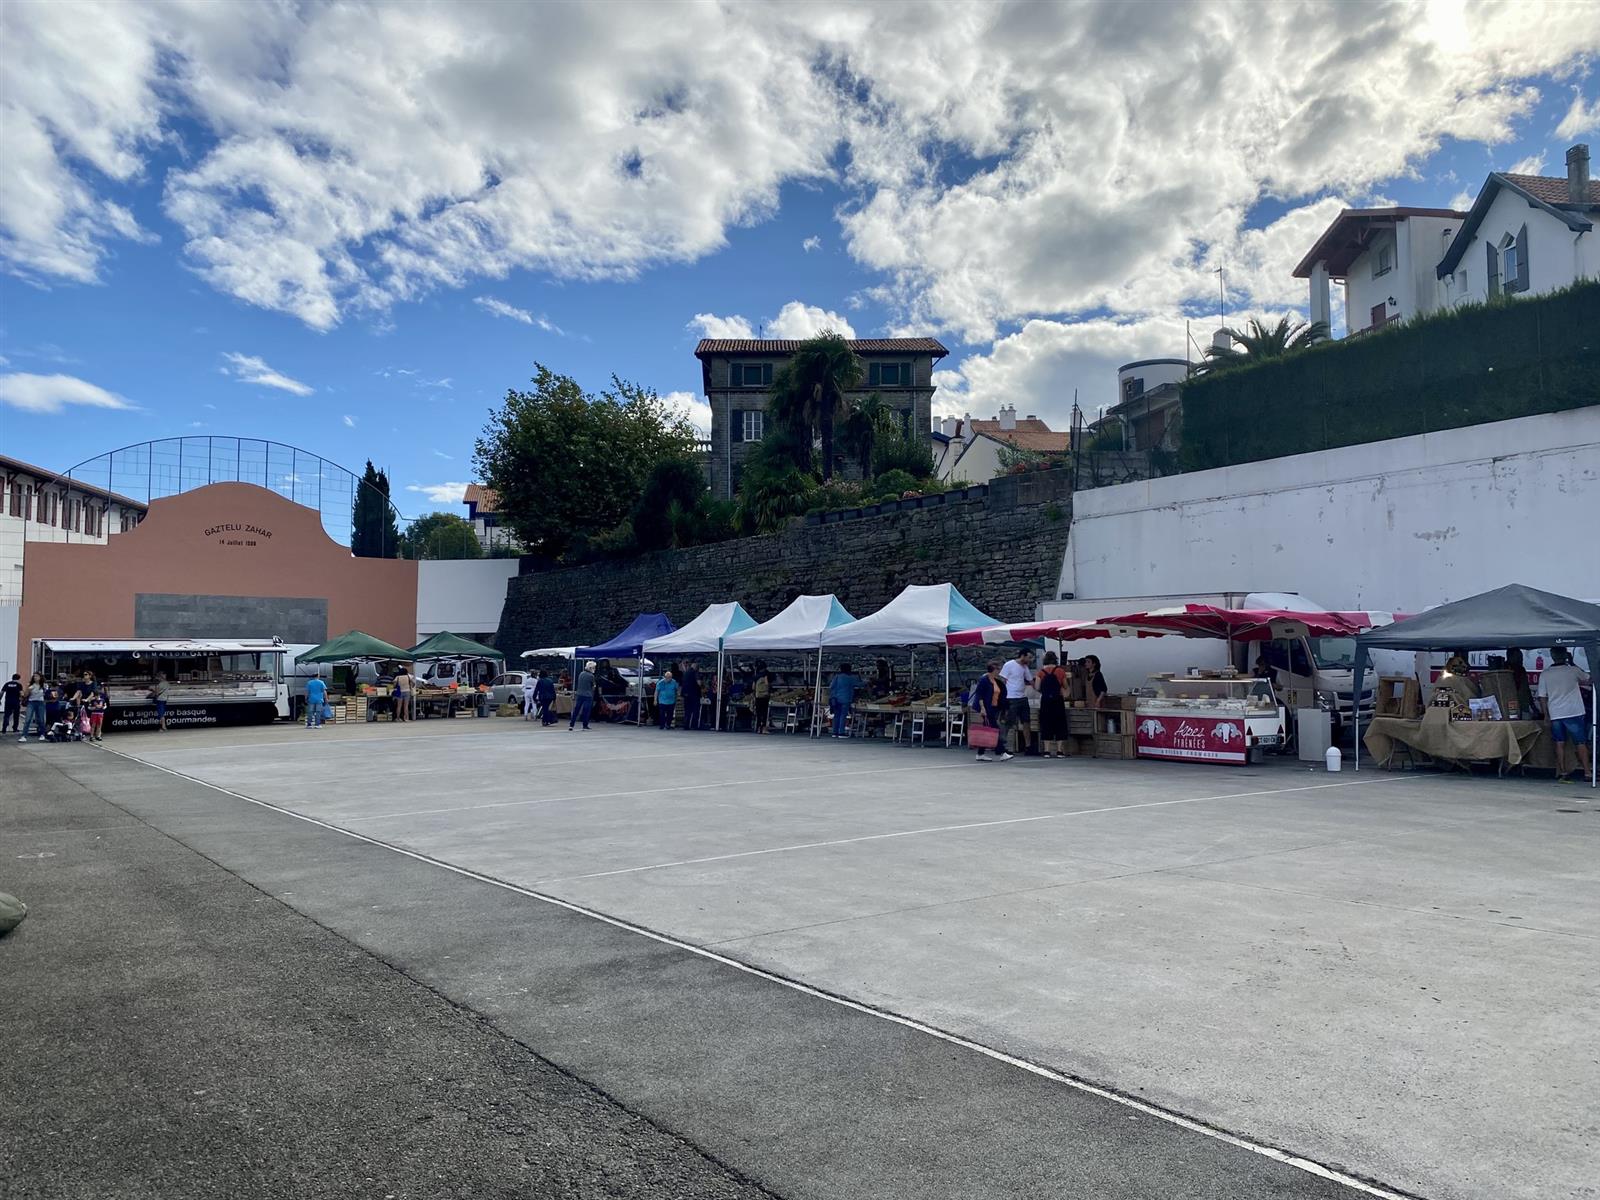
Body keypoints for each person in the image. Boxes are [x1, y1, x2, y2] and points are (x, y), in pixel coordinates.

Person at [1536, 647, 1592, 784]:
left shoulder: (1545, 674)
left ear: (1552, 656)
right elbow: (1589, 679)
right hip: (1574, 712)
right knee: (1580, 742)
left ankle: (1563, 772)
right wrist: (1572, 662)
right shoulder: (1572, 670)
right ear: (1566, 655)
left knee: (1559, 743)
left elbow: (1542, 697)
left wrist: (1546, 715)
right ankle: (1587, 772)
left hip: (1555, 713)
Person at [970, 660, 1012, 762]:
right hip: (987, 708)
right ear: (993, 669)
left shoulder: (995, 680)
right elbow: (979, 695)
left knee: (988, 731)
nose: (999, 671)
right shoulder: (984, 680)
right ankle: (1002, 752)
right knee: (994, 729)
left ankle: (981, 753)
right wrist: (982, 708)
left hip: (993, 708)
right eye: (998, 669)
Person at [999, 648, 1034, 757]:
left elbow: (1030, 680)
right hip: (1011, 697)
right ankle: (1004, 745)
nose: (1030, 660)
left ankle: (1028, 746)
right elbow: (1002, 679)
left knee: (1026, 721)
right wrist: (1003, 695)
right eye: (1029, 657)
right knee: (1009, 722)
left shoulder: (1025, 667)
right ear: (1022, 656)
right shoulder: (1009, 665)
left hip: (1022, 697)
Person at [1036, 651, 1068, 757]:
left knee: (1046, 723)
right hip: (1058, 700)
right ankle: (1059, 751)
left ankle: (1047, 751)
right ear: (1055, 659)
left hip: (1045, 701)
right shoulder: (1060, 671)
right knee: (1060, 723)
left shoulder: (1041, 672)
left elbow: (1037, 687)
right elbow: (1065, 686)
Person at [828, 662, 861, 738]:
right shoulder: (850, 678)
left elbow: (831, 686)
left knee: (836, 716)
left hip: (836, 698)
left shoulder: (837, 677)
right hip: (846, 698)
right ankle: (841, 732)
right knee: (843, 715)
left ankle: (834, 732)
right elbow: (859, 684)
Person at [18, 673, 48, 741]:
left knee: (41, 719)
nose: (35, 677)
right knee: (28, 719)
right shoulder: (31, 685)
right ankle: (24, 736)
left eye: (37, 676)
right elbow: (25, 695)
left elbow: (46, 694)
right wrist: (27, 689)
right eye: (34, 676)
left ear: (40, 677)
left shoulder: (44, 685)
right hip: (31, 702)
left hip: (40, 702)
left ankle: (42, 734)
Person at [1505, 648, 1535, 718]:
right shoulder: (1504, 670)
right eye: (1518, 657)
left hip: (1521, 704)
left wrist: (1533, 706)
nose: (1521, 659)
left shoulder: (1520, 669)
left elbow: (1526, 689)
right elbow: (1525, 688)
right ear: (1510, 657)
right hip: (1512, 704)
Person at [570, 660, 596, 731]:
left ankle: (571, 725)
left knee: (576, 710)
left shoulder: (581, 674)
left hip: (580, 694)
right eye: (594, 667)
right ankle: (585, 725)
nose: (594, 669)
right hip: (588, 695)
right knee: (586, 710)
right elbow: (593, 686)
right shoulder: (591, 676)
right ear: (591, 668)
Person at [681, 662, 702, 731]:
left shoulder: (686, 673)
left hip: (686, 694)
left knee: (687, 710)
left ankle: (686, 725)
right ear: (696, 667)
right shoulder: (695, 673)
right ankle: (694, 725)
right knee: (695, 710)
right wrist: (702, 685)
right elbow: (699, 683)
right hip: (694, 694)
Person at [752, 662, 771, 734]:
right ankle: (763, 728)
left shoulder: (755, 676)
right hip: (764, 696)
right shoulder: (765, 675)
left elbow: (753, 687)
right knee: (764, 712)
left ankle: (758, 728)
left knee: (758, 713)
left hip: (757, 696)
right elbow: (766, 685)